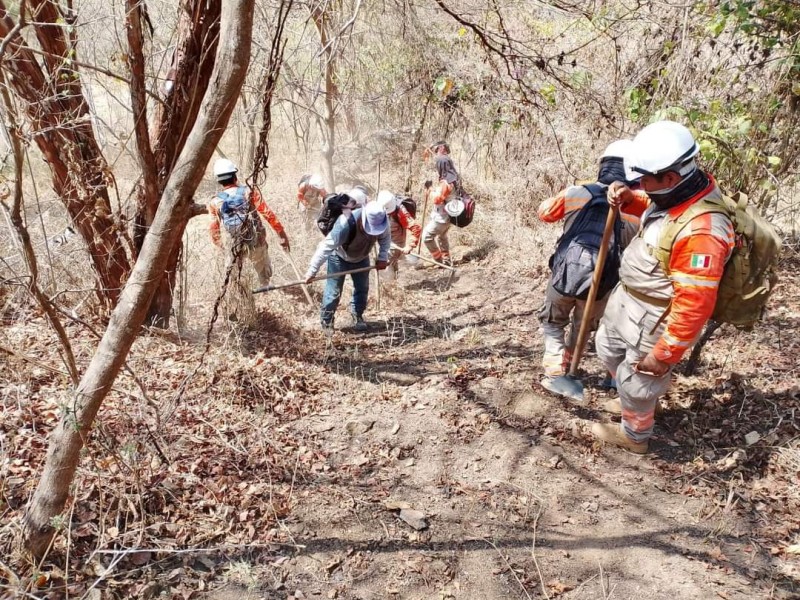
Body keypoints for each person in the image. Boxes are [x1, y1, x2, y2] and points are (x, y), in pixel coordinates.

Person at [592, 121, 735, 453]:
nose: (639, 184)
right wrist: (631, 198)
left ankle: (635, 436)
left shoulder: (704, 232)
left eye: (644, 179)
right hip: (627, 304)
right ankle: (634, 404)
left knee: (639, 382)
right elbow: (661, 218)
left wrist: (665, 353)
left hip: (654, 319)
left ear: (670, 177)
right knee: (608, 351)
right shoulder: (676, 192)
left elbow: (695, 304)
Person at [537, 140, 648, 393]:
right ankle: (571, 363)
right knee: (583, 325)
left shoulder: (577, 193)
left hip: (564, 273)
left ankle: (555, 369)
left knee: (554, 322)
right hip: (602, 284)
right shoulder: (639, 209)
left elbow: (544, 212)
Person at [304, 202, 391, 332]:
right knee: (333, 292)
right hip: (339, 257)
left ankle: (357, 315)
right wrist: (312, 270)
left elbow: (385, 240)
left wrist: (383, 257)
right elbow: (325, 247)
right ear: (364, 218)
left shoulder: (383, 222)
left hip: (362, 258)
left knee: (362, 288)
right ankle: (326, 322)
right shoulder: (345, 223)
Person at [208, 158, 290, 288]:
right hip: (256, 240)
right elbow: (268, 214)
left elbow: (214, 229)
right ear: (235, 176)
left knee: (233, 278)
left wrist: (221, 246)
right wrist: (281, 234)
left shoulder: (215, 202)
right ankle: (265, 290)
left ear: (219, 181)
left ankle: (239, 294)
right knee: (264, 276)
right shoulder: (249, 192)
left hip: (234, 244)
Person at [422, 141, 460, 266]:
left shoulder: (446, 183)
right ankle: (446, 260)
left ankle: (438, 260)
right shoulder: (453, 177)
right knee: (442, 236)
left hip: (442, 217)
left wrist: (429, 191)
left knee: (427, 237)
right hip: (448, 215)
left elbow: (437, 199)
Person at [376, 190, 422, 281]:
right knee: (391, 262)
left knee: (385, 261)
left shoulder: (401, 212)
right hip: (384, 238)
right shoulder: (380, 205)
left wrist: (410, 245)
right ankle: (394, 279)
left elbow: (416, 227)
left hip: (396, 242)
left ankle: (390, 284)